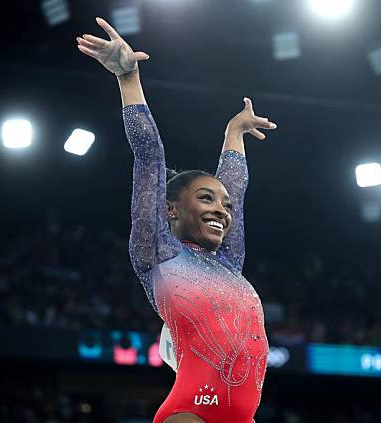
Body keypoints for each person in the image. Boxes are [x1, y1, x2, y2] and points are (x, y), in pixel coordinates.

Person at [77, 17, 277, 423]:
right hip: (191, 414)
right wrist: (128, 77)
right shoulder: (157, 253)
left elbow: (235, 187)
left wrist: (234, 132)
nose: (222, 209)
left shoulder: (228, 263)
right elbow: (150, 155)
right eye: (206, 199)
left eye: (224, 205)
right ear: (170, 209)